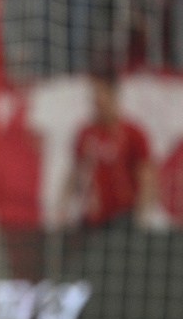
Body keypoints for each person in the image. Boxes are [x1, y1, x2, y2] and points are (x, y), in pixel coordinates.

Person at [57, 73, 158, 229]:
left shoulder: (132, 133)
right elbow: (76, 170)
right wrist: (63, 204)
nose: (96, 100)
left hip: (123, 217)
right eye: (94, 94)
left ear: (113, 95)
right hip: (91, 216)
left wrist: (141, 214)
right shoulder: (86, 133)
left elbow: (146, 175)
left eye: (100, 93)